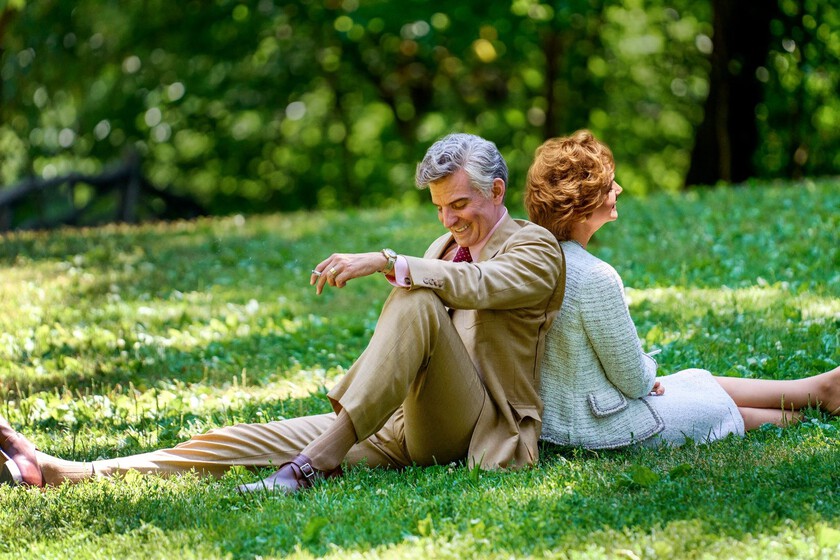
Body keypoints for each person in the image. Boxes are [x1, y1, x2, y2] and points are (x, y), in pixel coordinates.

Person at [0, 133, 565, 491]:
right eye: (440, 208)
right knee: (241, 440)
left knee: (413, 293)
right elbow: (445, 285)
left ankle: (313, 463)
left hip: (469, 430)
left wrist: (389, 261)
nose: (448, 220)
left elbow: (485, 284)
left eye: (459, 204)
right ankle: (68, 471)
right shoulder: (444, 249)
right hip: (395, 423)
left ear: (497, 188)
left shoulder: (533, 246)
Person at [524, 129, 840, 449]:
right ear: (582, 203)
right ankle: (810, 415)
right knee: (716, 409)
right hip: (598, 427)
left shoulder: (534, 260)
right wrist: (649, 373)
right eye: (608, 186)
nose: (618, 189)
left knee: (695, 380)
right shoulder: (594, 277)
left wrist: (646, 380)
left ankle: (818, 390)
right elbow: (633, 380)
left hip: (555, 420)